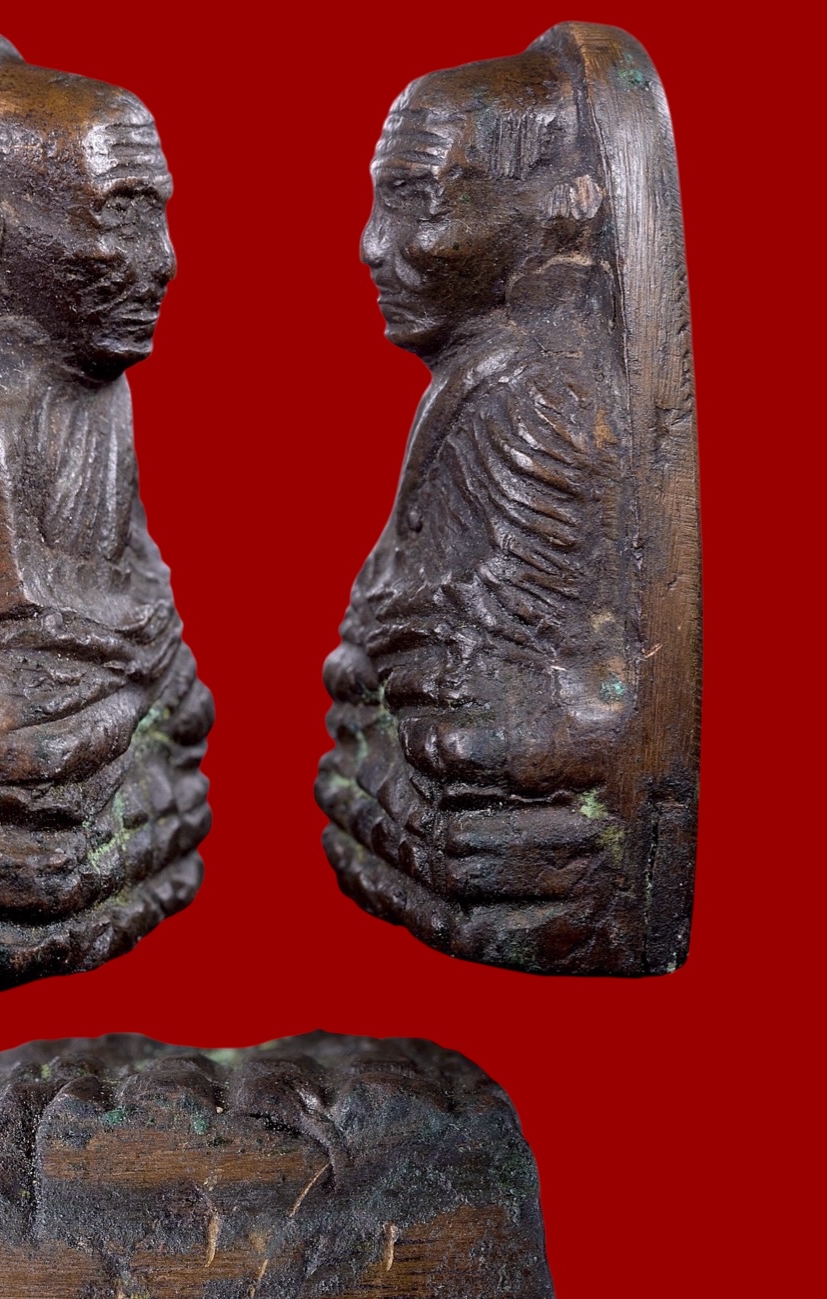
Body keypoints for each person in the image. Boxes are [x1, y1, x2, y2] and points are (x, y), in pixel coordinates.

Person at [0, 59, 212, 985]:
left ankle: (104, 829)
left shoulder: (104, 395)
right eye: (119, 217)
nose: (160, 259)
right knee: (5, 730)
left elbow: (131, 557)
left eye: (157, 217)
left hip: (95, 663)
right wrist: (131, 632)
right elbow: (2, 601)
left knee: (177, 708)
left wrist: (150, 635)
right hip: (21, 677)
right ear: (0, 233)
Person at [318, 51, 635, 972]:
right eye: (381, 204)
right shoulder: (487, 382)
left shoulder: (541, 402)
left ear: (553, 215)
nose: (372, 245)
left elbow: (535, 669)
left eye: (417, 202)